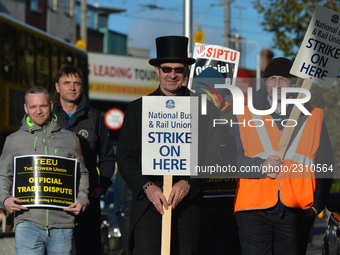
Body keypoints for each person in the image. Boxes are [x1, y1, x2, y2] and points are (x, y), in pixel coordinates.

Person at [116, 35, 221, 255]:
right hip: (147, 205)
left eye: (179, 69)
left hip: (187, 206)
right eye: (166, 69)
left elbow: (212, 156)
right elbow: (125, 157)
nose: (172, 74)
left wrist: (189, 183)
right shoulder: (138, 109)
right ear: (157, 70)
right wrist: (147, 187)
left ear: (187, 71)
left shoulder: (205, 109)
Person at [230, 57, 334, 255]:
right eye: (272, 79)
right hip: (253, 210)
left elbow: (325, 164)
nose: (277, 84)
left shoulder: (314, 115)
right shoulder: (244, 114)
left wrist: (316, 207)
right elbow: (230, 159)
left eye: (283, 79)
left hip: (296, 210)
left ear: (293, 84)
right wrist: (260, 166)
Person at [0, 86, 89, 254]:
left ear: (50, 105)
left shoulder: (70, 139)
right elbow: (3, 175)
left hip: (63, 223)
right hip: (27, 223)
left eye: (42, 106)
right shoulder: (13, 141)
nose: (38, 111)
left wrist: (82, 199)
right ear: (26, 108)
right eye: (33, 107)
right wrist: (4, 199)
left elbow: (82, 173)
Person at [52, 67, 115, 255]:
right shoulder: (47, 116)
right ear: (57, 87)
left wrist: (102, 186)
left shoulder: (94, 117)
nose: (72, 88)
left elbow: (107, 155)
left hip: (87, 201)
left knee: (88, 249)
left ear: (82, 87)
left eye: (76, 83)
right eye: (66, 83)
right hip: (54, 200)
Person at [194, 67, 241, 255]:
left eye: (206, 94)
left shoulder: (239, 122)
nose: (202, 100)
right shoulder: (192, 118)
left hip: (230, 206)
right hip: (199, 204)